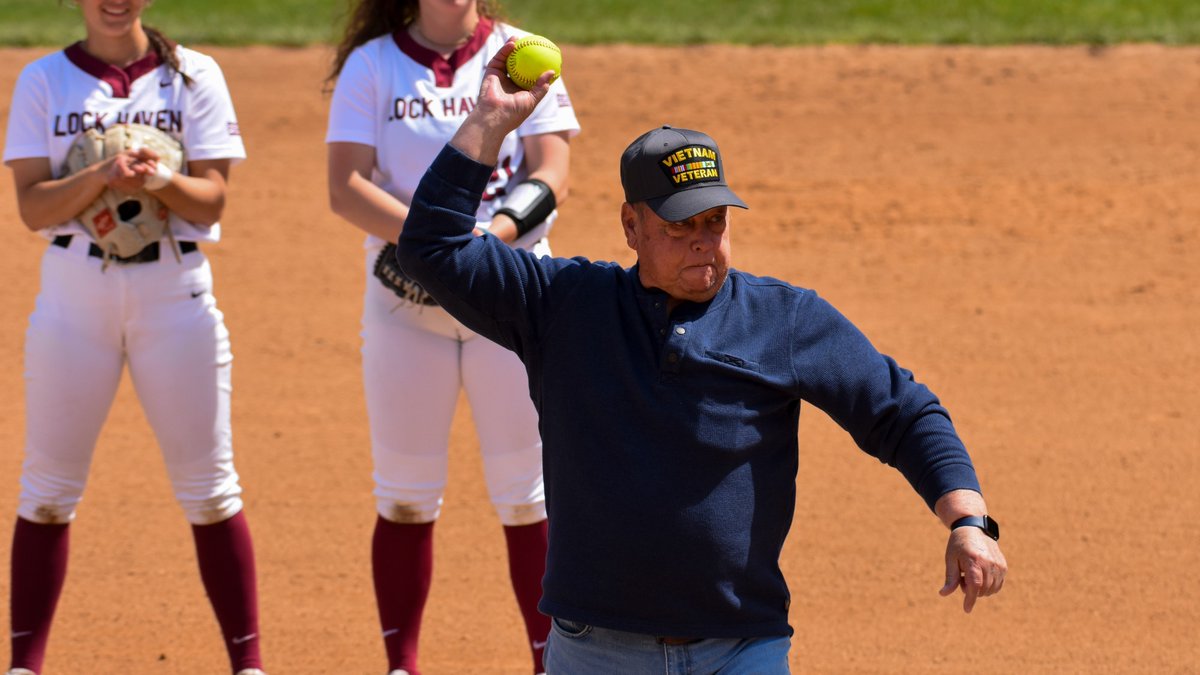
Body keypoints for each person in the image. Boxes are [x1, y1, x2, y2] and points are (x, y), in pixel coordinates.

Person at [394, 42, 1009, 673]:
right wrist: (491, 121)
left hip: (740, 649)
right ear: (631, 227)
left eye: (714, 222)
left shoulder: (784, 319)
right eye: (679, 228)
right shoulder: (562, 305)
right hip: (592, 650)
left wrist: (969, 522)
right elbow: (431, 247)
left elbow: (901, 412)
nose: (703, 246)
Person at [2, 2, 266, 674]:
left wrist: (156, 179)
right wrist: (98, 175)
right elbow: (33, 206)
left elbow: (211, 201)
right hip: (72, 294)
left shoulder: (194, 76)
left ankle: (249, 666)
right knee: (48, 488)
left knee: (211, 488)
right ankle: (25, 666)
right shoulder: (43, 79)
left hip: (174, 294)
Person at [324, 2, 578, 674]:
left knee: (529, 493)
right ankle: (401, 665)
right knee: (404, 493)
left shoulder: (525, 50)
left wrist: (482, 248)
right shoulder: (373, 64)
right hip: (406, 305)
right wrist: (431, 247)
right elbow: (346, 186)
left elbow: (551, 172)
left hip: (511, 294)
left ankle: (549, 661)